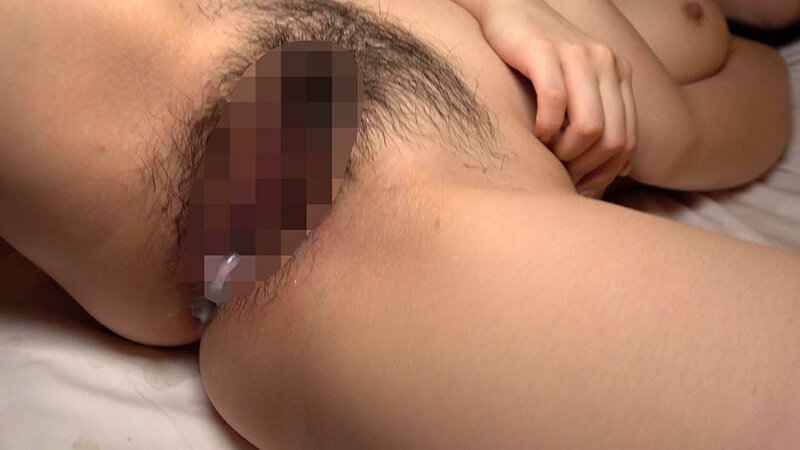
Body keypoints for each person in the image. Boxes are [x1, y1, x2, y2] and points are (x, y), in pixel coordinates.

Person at [1, 0, 798, 447]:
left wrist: (662, 126)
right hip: (326, 216)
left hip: (380, 202)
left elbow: (727, 121)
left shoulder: (693, 42)